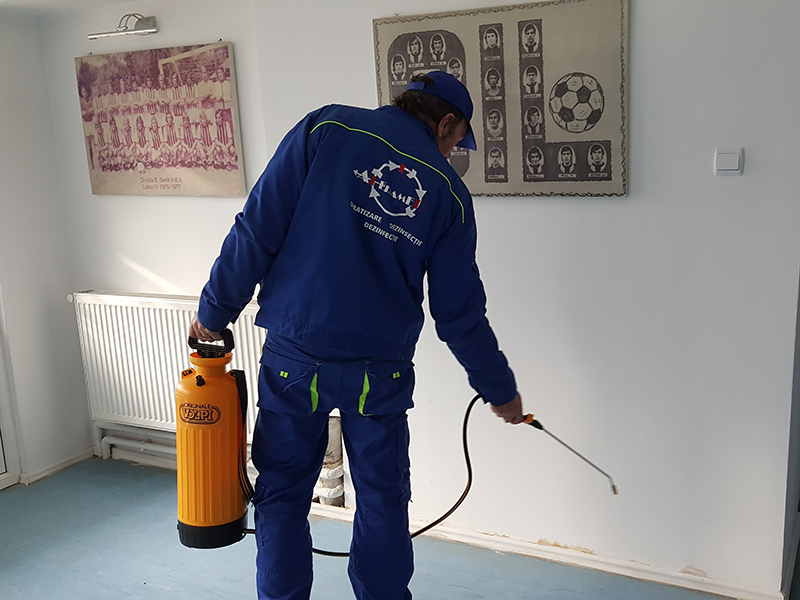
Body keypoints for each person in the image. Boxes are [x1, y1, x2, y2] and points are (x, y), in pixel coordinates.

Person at [188, 70, 523, 600]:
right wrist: (499, 390)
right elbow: (459, 313)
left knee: (282, 496)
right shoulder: (450, 196)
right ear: (446, 122)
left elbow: (257, 226)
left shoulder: (326, 129)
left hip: (295, 358)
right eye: (458, 142)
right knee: (382, 501)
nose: (452, 153)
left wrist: (214, 311)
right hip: (378, 373)